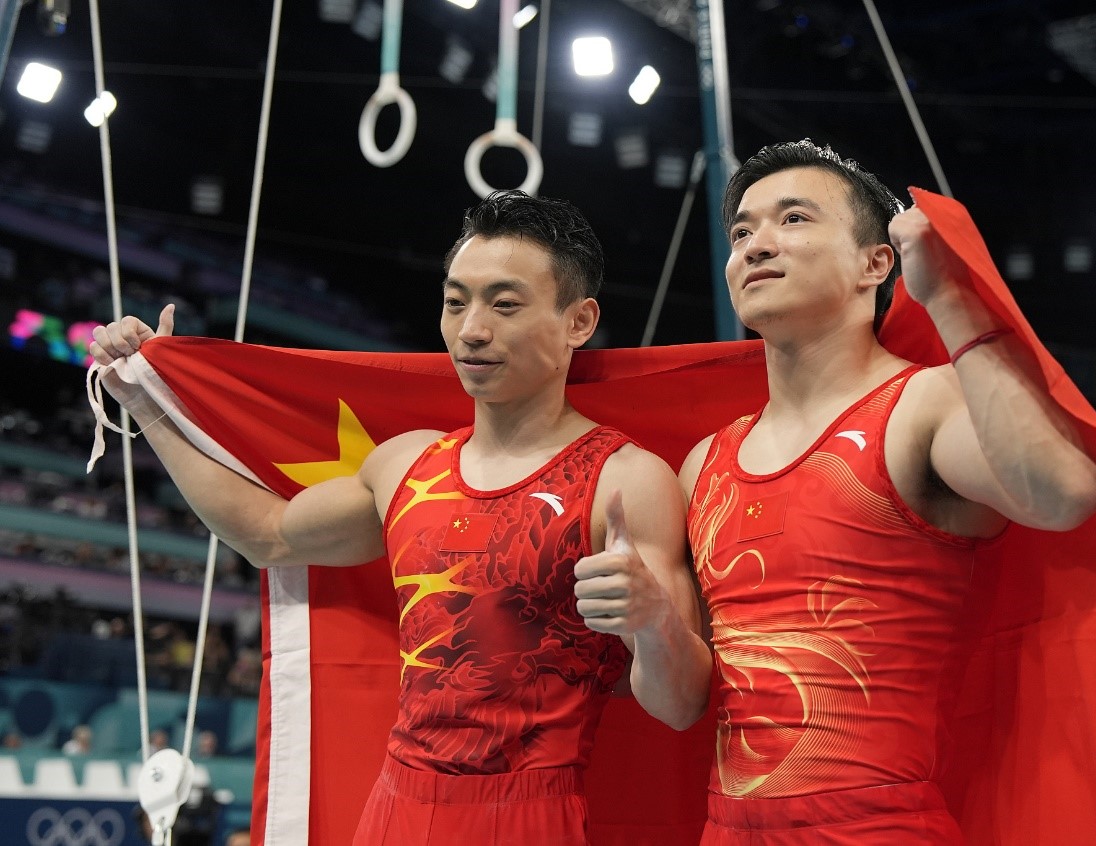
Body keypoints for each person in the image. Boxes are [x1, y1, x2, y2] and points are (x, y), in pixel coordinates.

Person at [89, 190, 711, 845]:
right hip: (392, 812)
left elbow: (679, 706)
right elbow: (267, 535)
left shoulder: (624, 480)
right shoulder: (405, 468)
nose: (472, 328)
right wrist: (143, 401)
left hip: (529, 817)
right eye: (454, 301)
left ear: (577, 322)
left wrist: (653, 620)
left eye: (504, 304)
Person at [679, 140, 1096, 845]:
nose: (756, 244)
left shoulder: (920, 407)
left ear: (874, 264)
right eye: (741, 231)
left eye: (792, 219)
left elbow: (1063, 497)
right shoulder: (704, 463)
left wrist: (950, 304)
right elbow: (680, 693)